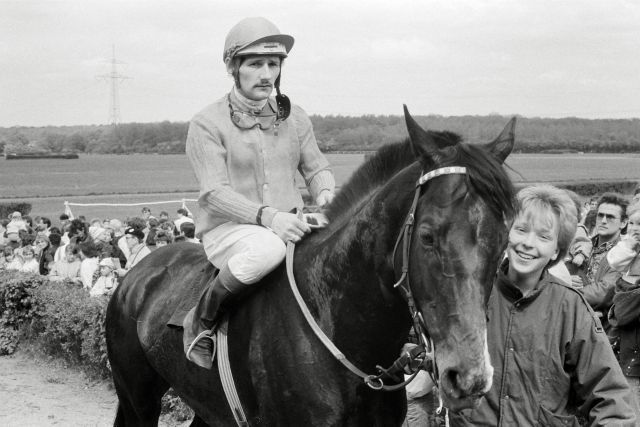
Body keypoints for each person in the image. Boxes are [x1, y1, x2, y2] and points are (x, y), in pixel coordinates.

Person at [181, 16, 336, 369]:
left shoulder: (295, 118)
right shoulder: (206, 123)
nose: (267, 73)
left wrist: (327, 195)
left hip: (290, 224)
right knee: (267, 247)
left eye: (274, 63)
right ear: (233, 67)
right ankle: (201, 320)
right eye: (256, 64)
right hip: (229, 231)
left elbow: (317, 168)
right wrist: (269, 218)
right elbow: (213, 193)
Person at [450, 185, 636, 426]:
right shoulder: (472, 293)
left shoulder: (571, 308)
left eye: (543, 236)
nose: (528, 243)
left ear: (556, 250)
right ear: (507, 233)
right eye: (521, 230)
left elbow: (611, 398)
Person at [572, 192, 629, 331]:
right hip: (573, 319)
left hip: (601, 328)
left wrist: (567, 291)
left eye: (610, 217)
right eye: (600, 215)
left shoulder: (624, 253)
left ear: (623, 222)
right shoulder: (582, 245)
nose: (603, 221)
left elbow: (605, 293)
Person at [606, 201, 640, 420]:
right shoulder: (628, 246)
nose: (636, 228)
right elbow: (614, 262)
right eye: (634, 223)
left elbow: (623, 312)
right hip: (629, 349)